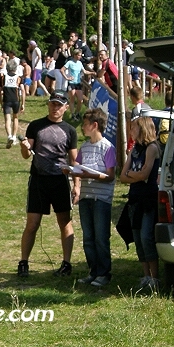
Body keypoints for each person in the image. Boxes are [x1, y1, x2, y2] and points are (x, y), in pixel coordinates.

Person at [17, 91, 78, 277]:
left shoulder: (70, 130)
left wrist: (77, 185)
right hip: (38, 180)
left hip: (59, 181)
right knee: (32, 223)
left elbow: (74, 160)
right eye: (52, 104)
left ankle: (66, 264)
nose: (55, 108)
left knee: (64, 221)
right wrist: (24, 147)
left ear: (66, 107)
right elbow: (27, 155)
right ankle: (23, 262)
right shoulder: (36, 126)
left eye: (59, 105)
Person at [69, 108, 117, 287]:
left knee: (101, 237)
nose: (82, 127)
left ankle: (104, 273)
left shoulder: (108, 147)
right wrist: (74, 178)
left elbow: (111, 176)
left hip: (101, 199)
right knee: (88, 237)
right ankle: (93, 271)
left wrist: (92, 175)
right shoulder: (85, 146)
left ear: (94, 125)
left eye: (85, 124)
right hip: (86, 197)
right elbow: (78, 167)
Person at [120, 117, 161, 290]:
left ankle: (155, 277)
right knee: (137, 237)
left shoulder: (152, 148)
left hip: (148, 199)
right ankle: (145, 275)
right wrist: (134, 175)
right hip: (134, 198)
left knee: (146, 237)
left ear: (142, 129)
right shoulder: (134, 149)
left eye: (133, 129)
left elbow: (145, 175)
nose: (130, 132)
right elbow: (122, 176)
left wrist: (133, 175)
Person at [61, 48, 96, 121]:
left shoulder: (80, 63)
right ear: (75, 55)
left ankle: (77, 113)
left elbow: (85, 72)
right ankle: (73, 114)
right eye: (79, 55)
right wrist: (67, 77)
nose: (80, 57)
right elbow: (62, 70)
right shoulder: (70, 62)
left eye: (80, 55)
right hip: (71, 83)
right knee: (72, 99)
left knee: (80, 100)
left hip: (78, 83)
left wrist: (92, 73)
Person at [0, 59, 23, 148]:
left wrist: (1, 102)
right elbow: (23, 90)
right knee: (15, 118)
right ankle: (14, 137)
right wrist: (23, 103)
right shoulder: (18, 77)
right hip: (16, 100)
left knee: (7, 119)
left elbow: (0, 90)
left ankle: (9, 136)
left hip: (6, 99)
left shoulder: (3, 77)